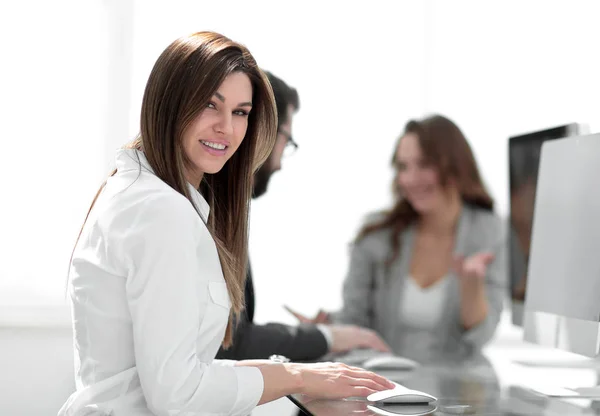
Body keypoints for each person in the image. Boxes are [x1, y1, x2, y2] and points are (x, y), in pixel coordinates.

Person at [58, 31, 394, 416]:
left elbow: (184, 372)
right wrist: (298, 377)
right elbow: (177, 395)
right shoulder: (161, 210)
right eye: (209, 105)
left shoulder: (142, 193)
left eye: (240, 112)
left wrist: (297, 373)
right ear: (168, 104)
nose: (227, 128)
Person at [292, 115, 506, 361]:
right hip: (387, 384)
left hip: (460, 387)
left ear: (455, 165)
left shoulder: (489, 230)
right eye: (403, 167)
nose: (409, 179)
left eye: (424, 164)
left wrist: (471, 287)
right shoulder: (376, 234)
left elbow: (481, 337)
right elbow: (355, 321)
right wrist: (324, 331)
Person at [216, 71, 390, 363]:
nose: (281, 163)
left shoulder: (221, 209)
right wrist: (327, 338)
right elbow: (229, 341)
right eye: (286, 138)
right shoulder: (208, 212)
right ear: (263, 132)